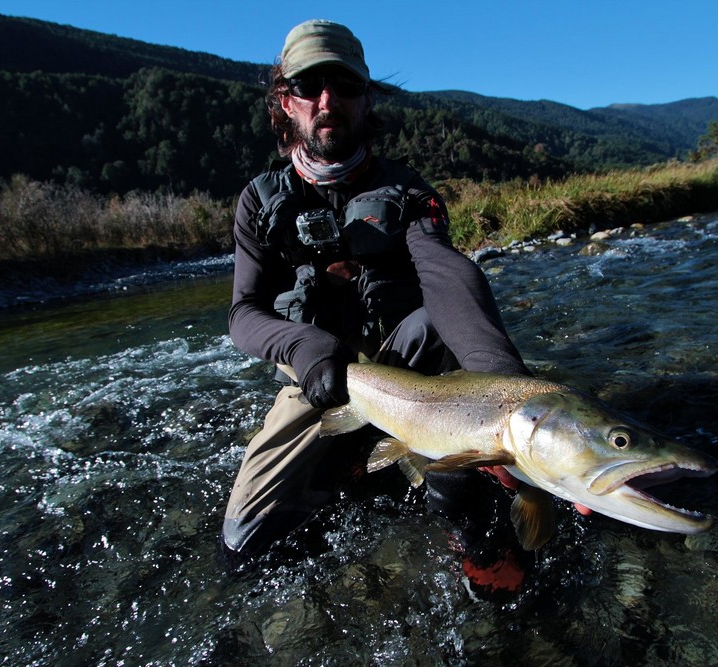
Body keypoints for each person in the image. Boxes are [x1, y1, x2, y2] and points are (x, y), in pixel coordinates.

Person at [222, 19, 539, 594]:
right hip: (317, 378)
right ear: (286, 102)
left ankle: (469, 525)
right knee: (244, 540)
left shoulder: (409, 192)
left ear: (366, 99)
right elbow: (243, 313)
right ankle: (356, 458)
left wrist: (506, 390)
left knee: (436, 325)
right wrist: (305, 348)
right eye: (309, 86)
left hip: (409, 370)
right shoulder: (258, 202)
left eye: (344, 86)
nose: (328, 101)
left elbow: (446, 274)